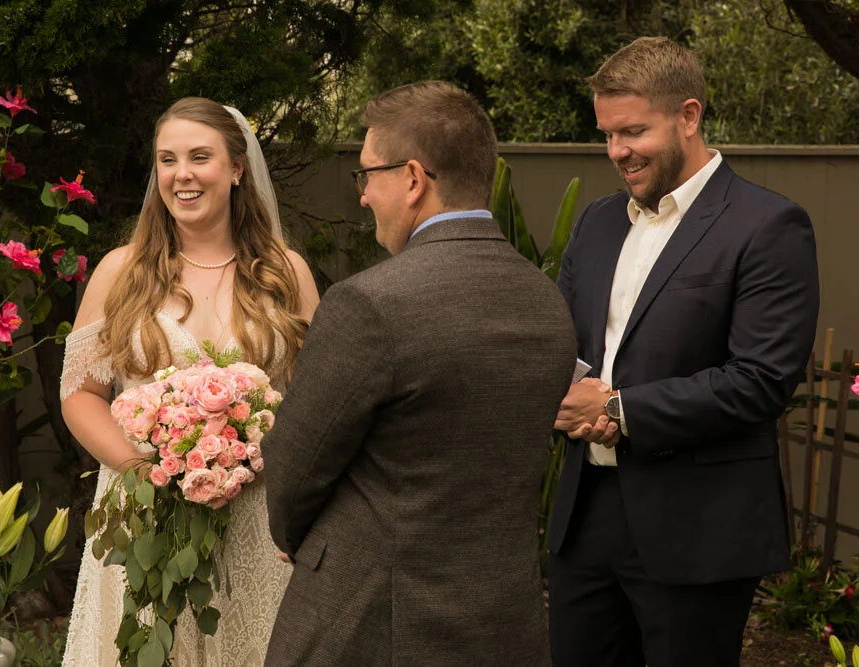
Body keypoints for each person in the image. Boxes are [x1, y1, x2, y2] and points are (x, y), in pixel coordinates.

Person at [261, 81, 576, 667]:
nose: (361, 197)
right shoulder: (545, 300)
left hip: (373, 621)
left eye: (366, 175)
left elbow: (294, 467)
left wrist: (300, 541)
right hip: (503, 620)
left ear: (412, 178)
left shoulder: (369, 304)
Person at [548, 37, 819, 667]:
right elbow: (566, 346)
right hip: (584, 518)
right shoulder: (596, 222)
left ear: (689, 116)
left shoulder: (768, 226)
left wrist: (619, 408)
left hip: (697, 530)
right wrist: (566, 396)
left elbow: (762, 380)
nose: (617, 152)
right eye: (607, 135)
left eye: (633, 132)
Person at [58, 97, 320, 666]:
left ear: (237, 168)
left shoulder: (285, 272)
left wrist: (250, 458)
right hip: (143, 513)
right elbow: (80, 394)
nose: (182, 175)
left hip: (254, 513)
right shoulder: (119, 271)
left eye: (200, 157)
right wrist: (142, 470)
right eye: (167, 160)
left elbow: (316, 398)